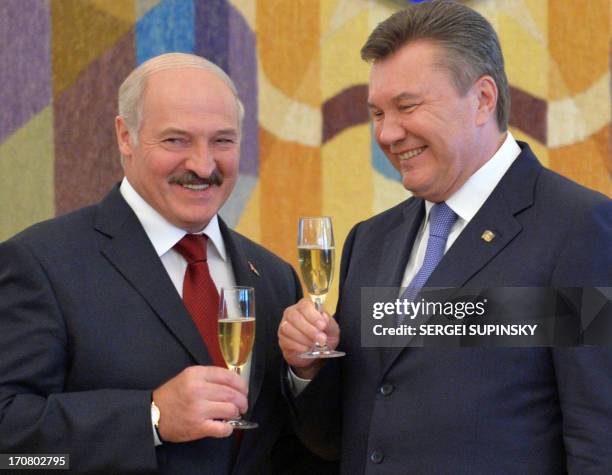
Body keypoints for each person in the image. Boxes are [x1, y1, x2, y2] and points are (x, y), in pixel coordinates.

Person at [278, 1, 612, 474]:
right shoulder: (369, 241)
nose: (389, 133)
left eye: (408, 106)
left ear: (482, 99)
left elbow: (600, 438)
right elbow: (338, 437)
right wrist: (307, 370)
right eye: (376, 112)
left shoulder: (578, 228)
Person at [0, 52, 321, 474]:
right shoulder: (40, 262)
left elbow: (295, 445)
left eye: (222, 140)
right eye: (176, 140)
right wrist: (149, 418)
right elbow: (12, 449)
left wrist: (307, 375)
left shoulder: (275, 277)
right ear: (125, 136)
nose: (203, 165)